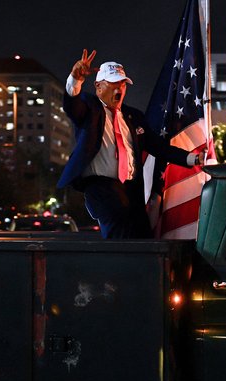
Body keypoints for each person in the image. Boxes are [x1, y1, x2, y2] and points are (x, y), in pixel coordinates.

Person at [57, 49, 202, 239]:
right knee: (119, 230)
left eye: (122, 84)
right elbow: (72, 105)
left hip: (131, 189)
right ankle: (118, 266)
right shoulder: (89, 108)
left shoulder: (134, 117)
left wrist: (193, 158)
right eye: (113, 84)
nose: (119, 90)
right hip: (101, 187)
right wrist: (75, 80)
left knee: (142, 234)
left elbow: (158, 147)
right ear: (98, 86)